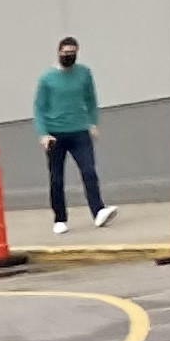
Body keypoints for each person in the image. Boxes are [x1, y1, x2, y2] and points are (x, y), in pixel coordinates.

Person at [34, 37, 116, 236]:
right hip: (55, 134)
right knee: (56, 178)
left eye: (72, 53)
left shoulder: (84, 73)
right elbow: (39, 107)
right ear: (59, 52)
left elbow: (90, 98)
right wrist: (43, 133)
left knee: (89, 171)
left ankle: (98, 211)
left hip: (79, 130)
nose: (69, 56)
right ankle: (60, 218)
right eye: (65, 53)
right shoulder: (47, 78)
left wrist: (93, 122)